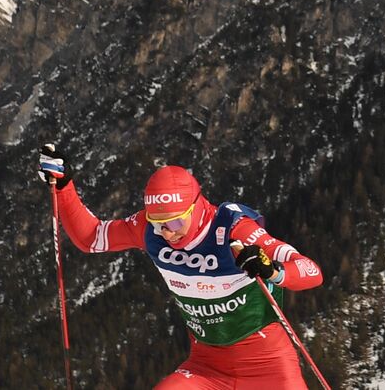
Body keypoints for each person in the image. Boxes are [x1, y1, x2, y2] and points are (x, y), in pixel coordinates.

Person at [37, 144, 324, 389]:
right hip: (206, 367)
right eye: (158, 223)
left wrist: (273, 270)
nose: (167, 233)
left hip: (267, 364)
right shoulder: (150, 231)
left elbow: (311, 271)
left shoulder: (233, 229)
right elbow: (92, 238)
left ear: (196, 208)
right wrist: (63, 188)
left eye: (175, 222)